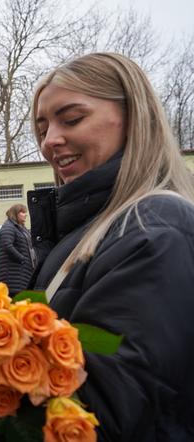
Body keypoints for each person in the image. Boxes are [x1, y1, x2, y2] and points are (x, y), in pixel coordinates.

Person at [27, 52, 194, 441]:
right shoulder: (92, 227)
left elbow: (103, 415)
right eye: (42, 128)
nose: (50, 141)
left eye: (71, 119)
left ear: (134, 118)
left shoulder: (155, 232)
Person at [0, 204, 35, 296]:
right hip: (13, 276)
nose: (25, 214)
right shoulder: (9, 226)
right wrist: (22, 259)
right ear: (15, 213)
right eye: (22, 212)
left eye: (25, 212)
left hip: (23, 274)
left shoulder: (21, 228)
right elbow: (7, 245)